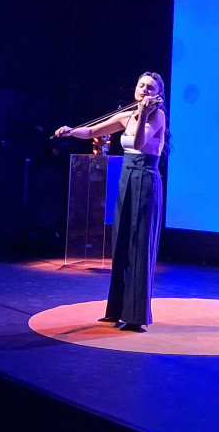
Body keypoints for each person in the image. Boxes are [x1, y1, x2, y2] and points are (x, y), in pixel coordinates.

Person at [55, 72, 167, 332]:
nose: (144, 90)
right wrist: (70, 131)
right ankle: (116, 309)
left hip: (145, 179)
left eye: (150, 88)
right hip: (127, 178)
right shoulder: (125, 116)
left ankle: (136, 315)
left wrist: (143, 113)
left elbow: (139, 142)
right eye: (141, 85)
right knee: (121, 242)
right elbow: (93, 130)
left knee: (139, 245)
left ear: (158, 94)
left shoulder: (157, 116)